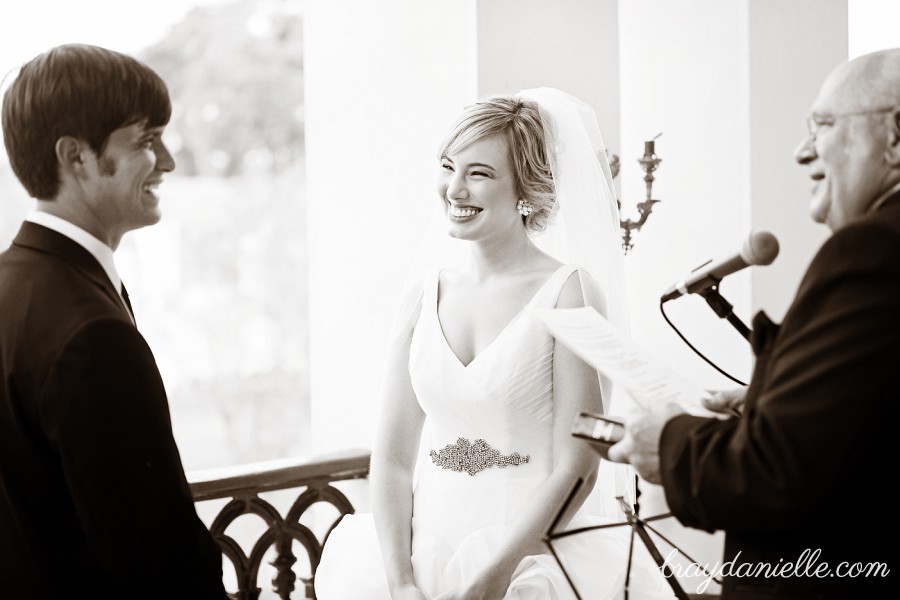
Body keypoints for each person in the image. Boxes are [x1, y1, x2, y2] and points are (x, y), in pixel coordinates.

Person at [314, 89, 673, 599]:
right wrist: (399, 581)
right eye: (447, 166)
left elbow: (579, 466)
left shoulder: (568, 290)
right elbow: (393, 459)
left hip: (529, 562)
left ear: (525, 189)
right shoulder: (424, 293)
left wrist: (496, 576)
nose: (454, 189)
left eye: (479, 173)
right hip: (421, 556)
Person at [608, 48, 900, 598]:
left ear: (896, 135)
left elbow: (778, 475)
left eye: (822, 125)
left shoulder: (875, 250)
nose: (801, 150)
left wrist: (668, 441)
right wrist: (769, 405)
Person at [0, 44, 227, 598]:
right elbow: (159, 560)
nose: (168, 161)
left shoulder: (11, 284)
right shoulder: (92, 337)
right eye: (146, 141)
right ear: (76, 157)